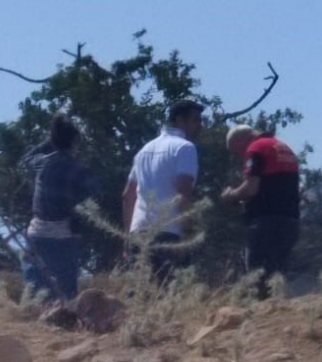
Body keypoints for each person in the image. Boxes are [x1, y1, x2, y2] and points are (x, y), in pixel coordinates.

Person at [123, 98, 204, 280]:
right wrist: (188, 233)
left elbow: (128, 195)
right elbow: (184, 190)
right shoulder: (185, 148)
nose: (200, 126)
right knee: (170, 298)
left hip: (139, 233)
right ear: (179, 120)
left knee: (139, 298)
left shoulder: (144, 150)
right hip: (169, 233)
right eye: (196, 120)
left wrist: (127, 238)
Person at [21, 115, 96, 301]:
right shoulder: (79, 168)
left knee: (34, 290)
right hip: (63, 234)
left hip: (37, 232)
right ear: (75, 141)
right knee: (66, 292)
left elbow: (26, 158)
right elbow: (93, 194)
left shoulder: (42, 163)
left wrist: (52, 141)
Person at [222, 123, 301, 294]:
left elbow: (252, 187)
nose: (239, 157)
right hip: (290, 220)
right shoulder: (283, 147)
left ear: (242, 141)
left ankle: (260, 314)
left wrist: (232, 195)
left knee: (257, 279)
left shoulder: (256, 147)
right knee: (277, 277)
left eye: (236, 151)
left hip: (265, 223)